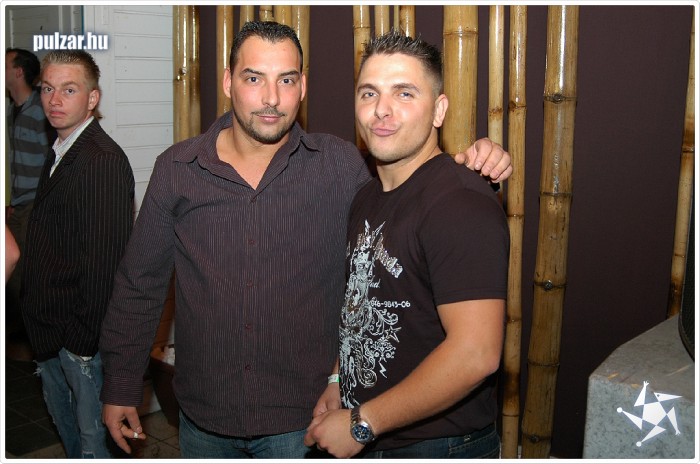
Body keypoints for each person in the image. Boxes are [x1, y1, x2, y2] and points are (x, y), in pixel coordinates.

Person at [99, 21, 511, 459]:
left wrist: (476, 162)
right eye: (253, 78)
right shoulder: (177, 169)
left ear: (303, 87)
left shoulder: (341, 166)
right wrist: (121, 384)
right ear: (228, 82)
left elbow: (419, 187)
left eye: (286, 80)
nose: (271, 98)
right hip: (205, 418)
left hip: (305, 424)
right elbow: (139, 283)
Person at [304, 31, 509, 459]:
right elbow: (361, 305)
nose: (382, 109)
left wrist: (362, 423)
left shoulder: (460, 202)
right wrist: (339, 382)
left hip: (437, 446)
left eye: (404, 93)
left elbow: (476, 354)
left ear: (439, 110)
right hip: (376, 432)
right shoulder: (366, 196)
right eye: (369, 93)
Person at [20, 50, 135, 459]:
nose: (54, 100)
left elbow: (105, 263)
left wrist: (79, 345)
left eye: (69, 90)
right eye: (47, 89)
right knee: (73, 440)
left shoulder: (101, 160)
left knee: (92, 447)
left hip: (78, 341)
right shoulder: (61, 148)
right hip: (52, 332)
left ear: (92, 98)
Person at [5, 47, 56, 360]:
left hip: (33, 205)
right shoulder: (14, 109)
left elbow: (52, 159)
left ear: (18, 71)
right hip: (18, 203)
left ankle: (33, 343)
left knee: (23, 275)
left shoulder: (40, 111)